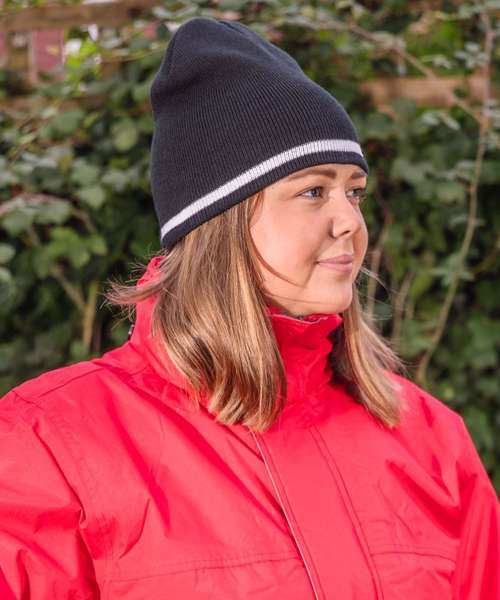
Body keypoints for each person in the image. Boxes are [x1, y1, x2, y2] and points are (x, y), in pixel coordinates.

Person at [0, 15, 499, 600]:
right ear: (221, 220)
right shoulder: (50, 442)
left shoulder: (429, 438)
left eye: (354, 192)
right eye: (313, 191)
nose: (350, 221)